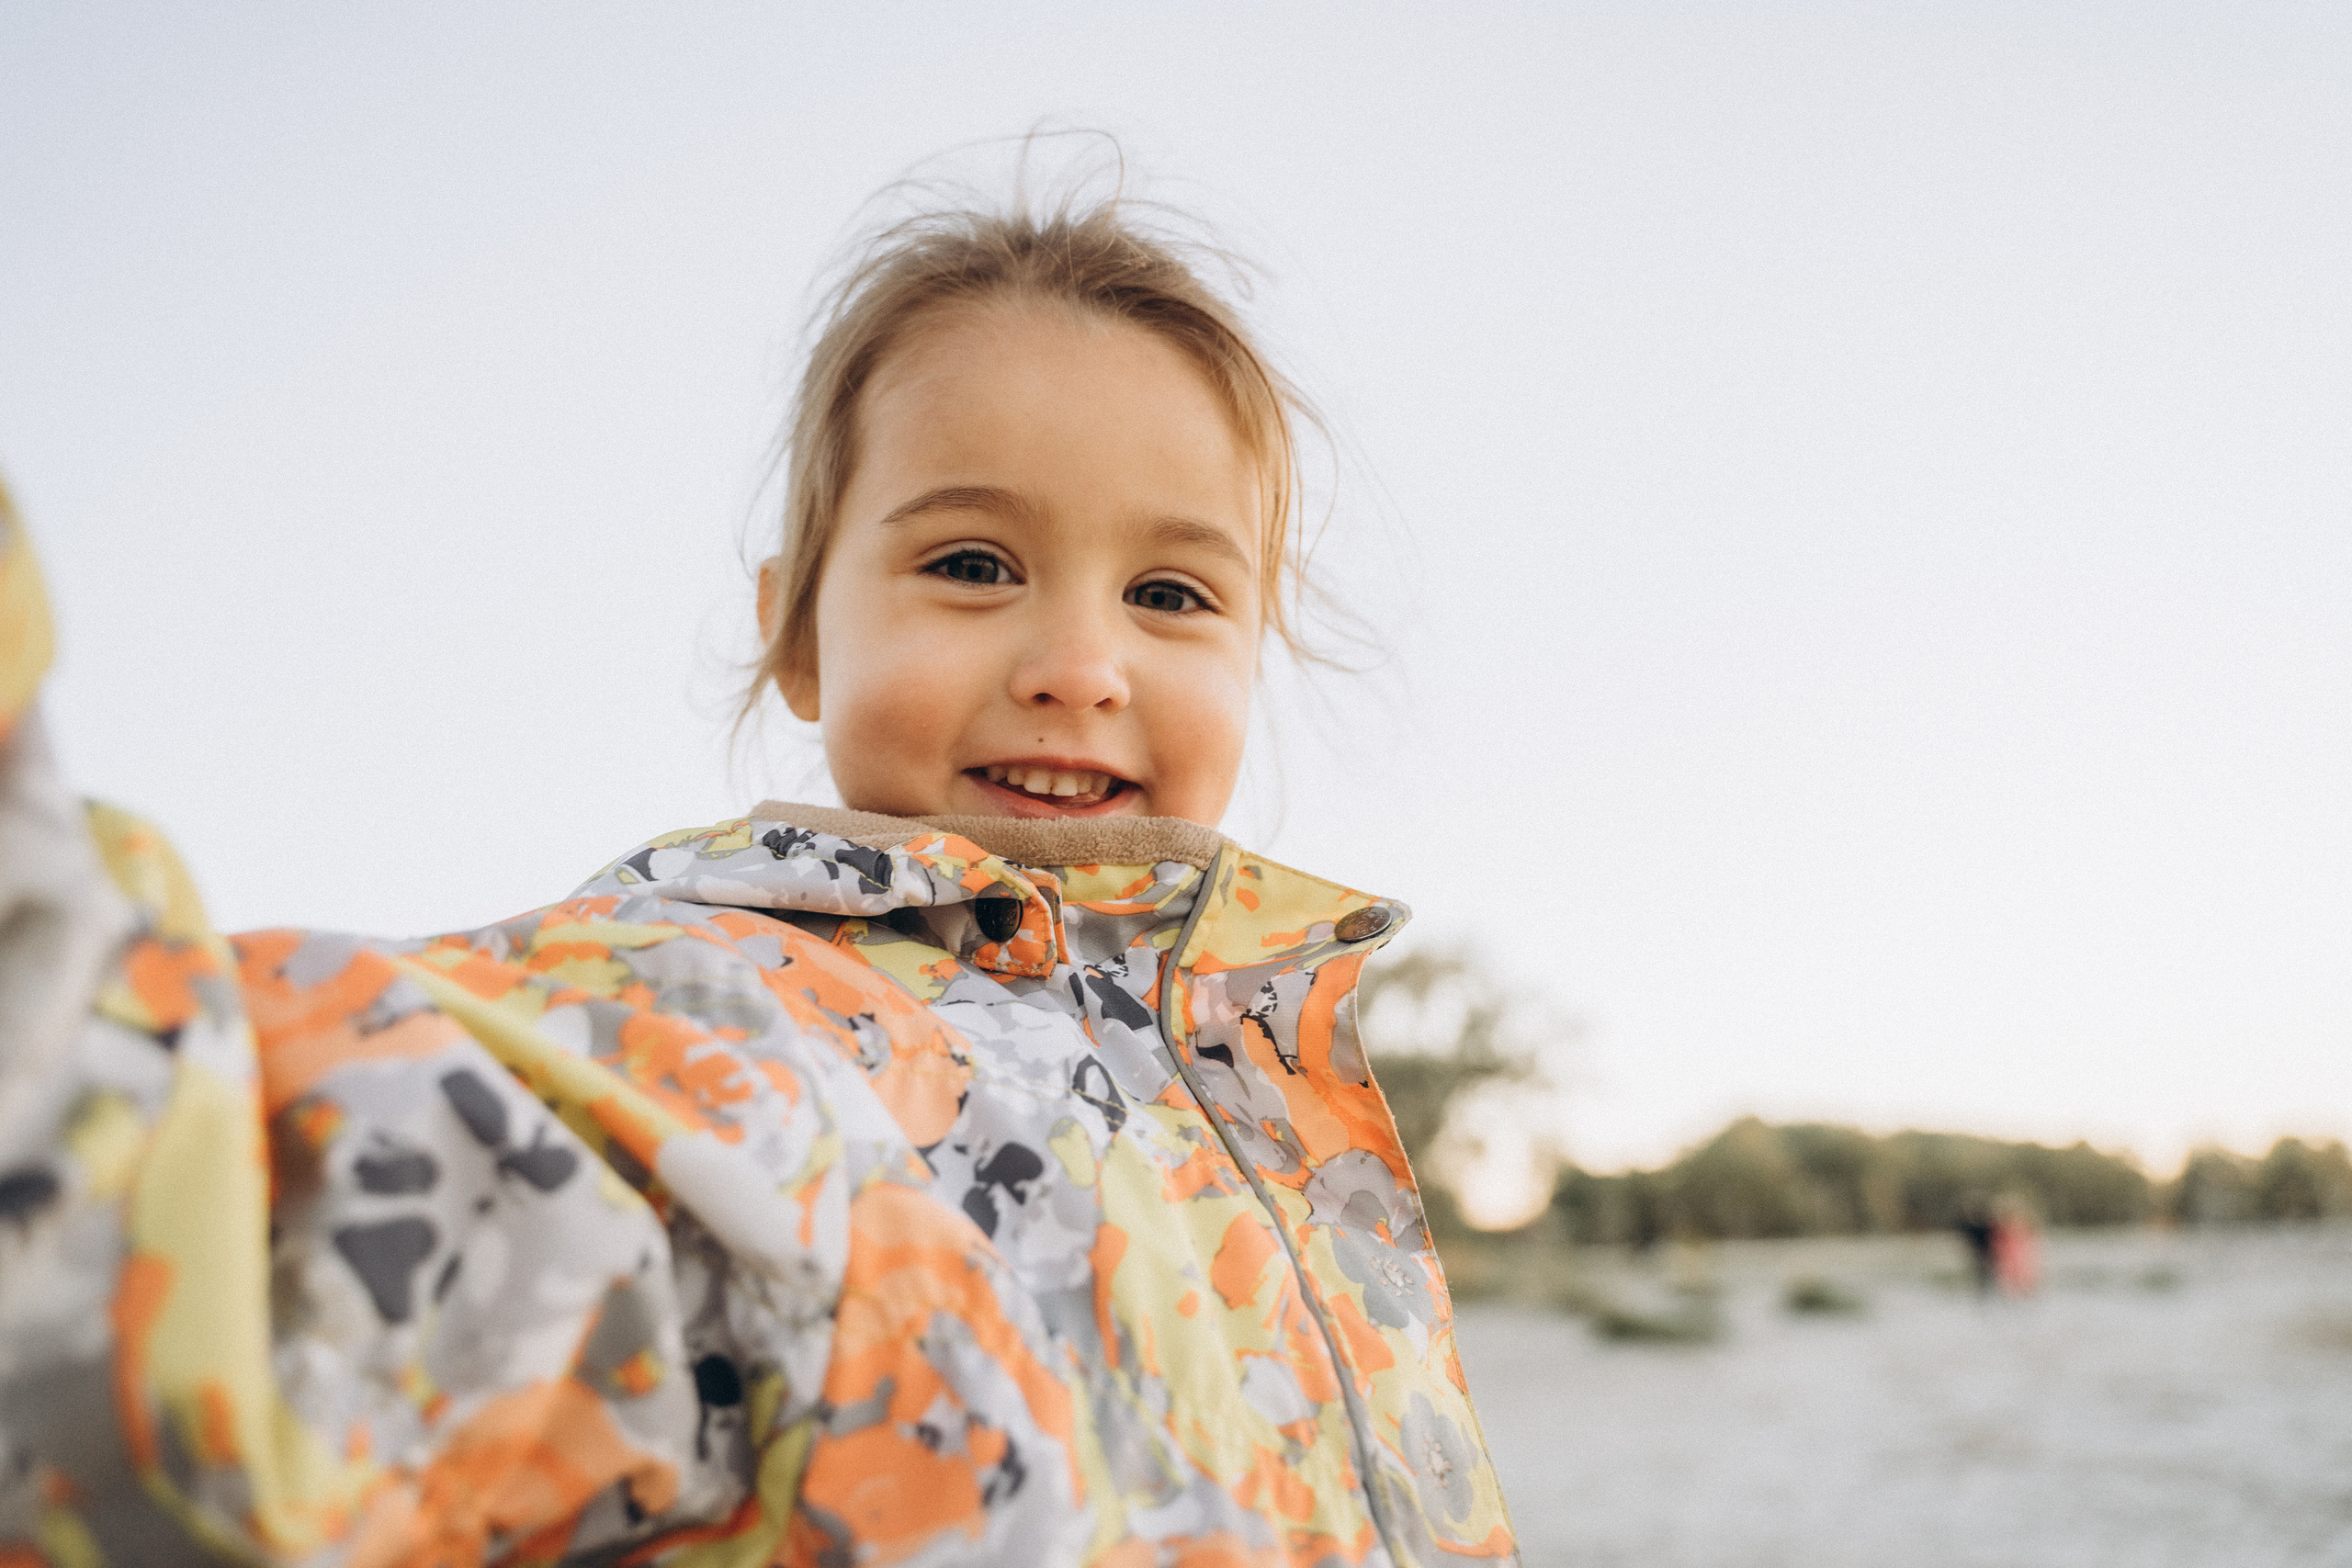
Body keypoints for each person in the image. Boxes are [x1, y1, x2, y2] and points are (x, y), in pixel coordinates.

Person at [0, 180, 1518, 1566]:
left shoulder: (1246, 1092)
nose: (1077, 666)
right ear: (795, 631)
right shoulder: (731, 1027)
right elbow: (230, 1213)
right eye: (974, 564)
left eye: (1171, 593)